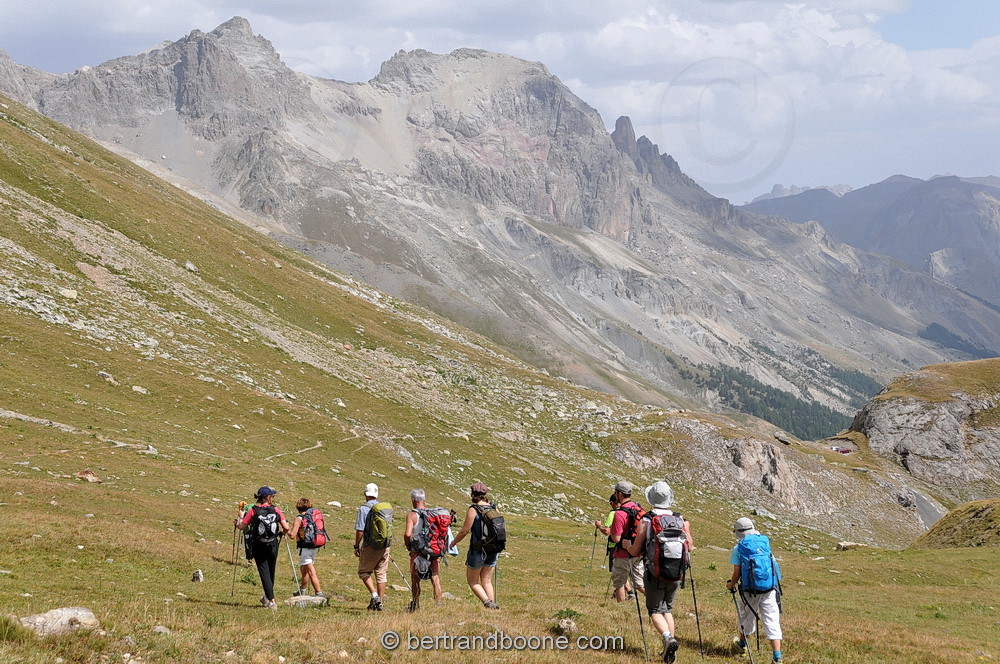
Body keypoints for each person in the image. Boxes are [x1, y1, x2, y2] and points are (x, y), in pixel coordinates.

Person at [626, 481, 693, 664]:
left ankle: (667, 639)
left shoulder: (648, 519)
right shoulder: (680, 520)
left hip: (654, 571)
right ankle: (669, 650)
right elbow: (690, 547)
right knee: (667, 609)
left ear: (652, 499)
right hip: (677, 571)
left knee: (655, 610)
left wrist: (627, 545)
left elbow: (636, 549)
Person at [726, 517, 784, 663]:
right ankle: (777, 655)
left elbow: (737, 573)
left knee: (747, 618)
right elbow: (774, 565)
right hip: (769, 588)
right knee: (771, 619)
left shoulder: (739, 548)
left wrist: (731, 585)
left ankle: (742, 646)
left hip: (750, 590)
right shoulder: (764, 543)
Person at [236, 486, 290, 610]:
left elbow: (242, 526)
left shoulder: (253, 511)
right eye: (272, 496)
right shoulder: (276, 509)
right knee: (271, 570)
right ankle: (268, 597)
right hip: (272, 543)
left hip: (258, 544)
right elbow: (286, 527)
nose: (273, 498)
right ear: (267, 497)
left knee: (263, 570)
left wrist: (239, 519)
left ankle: (271, 601)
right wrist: (282, 534)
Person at [450, 482, 500, 609]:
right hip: (493, 549)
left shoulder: (474, 509)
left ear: (473, 494)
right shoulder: (494, 508)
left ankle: (488, 603)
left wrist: (453, 542)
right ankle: (492, 608)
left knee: (473, 581)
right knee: (487, 581)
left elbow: (464, 531)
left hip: (477, 550)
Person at [403, 488, 445, 612]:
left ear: (413, 500)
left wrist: (408, 545)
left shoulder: (412, 515)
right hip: (433, 550)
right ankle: (439, 604)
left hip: (417, 551)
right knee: (435, 577)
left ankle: (415, 604)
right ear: (424, 500)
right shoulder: (433, 514)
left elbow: (407, 534)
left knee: (415, 578)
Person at [355, 482, 391, 611]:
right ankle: (380, 603)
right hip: (385, 545)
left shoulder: (364, 508)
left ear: (366, 494)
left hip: (370, 545)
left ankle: (375, 596)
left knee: (364, 571)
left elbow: (360, 529)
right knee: (381, 574)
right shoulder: (383, 508)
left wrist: (356, 546)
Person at [609, 480, 645, 603]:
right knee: (640, 583)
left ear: (619, 494)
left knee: (619, 582)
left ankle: (621, 607)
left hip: (622, 554)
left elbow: (616, 538)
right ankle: (656, 602)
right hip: (638, 552)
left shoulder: (619, 513)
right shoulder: (639, 508)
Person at [595, 494, 632, 597]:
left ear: (612, 503)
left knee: (617, 571)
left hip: (614, 545)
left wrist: (599, 526)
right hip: (627, 546)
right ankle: (618, 593)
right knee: (622, 570)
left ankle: (628, 592)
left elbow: (607, 531)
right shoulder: (627, 512)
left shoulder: (613, 514)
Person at [288, 497, 324, 598]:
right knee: (304, 570)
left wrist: (286, 530)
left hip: (304, 548)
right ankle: (302, 591)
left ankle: (319, 593)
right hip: (314, 546)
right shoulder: (312, 517)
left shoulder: (299, 518)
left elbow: (292, 535)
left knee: (311, 572)